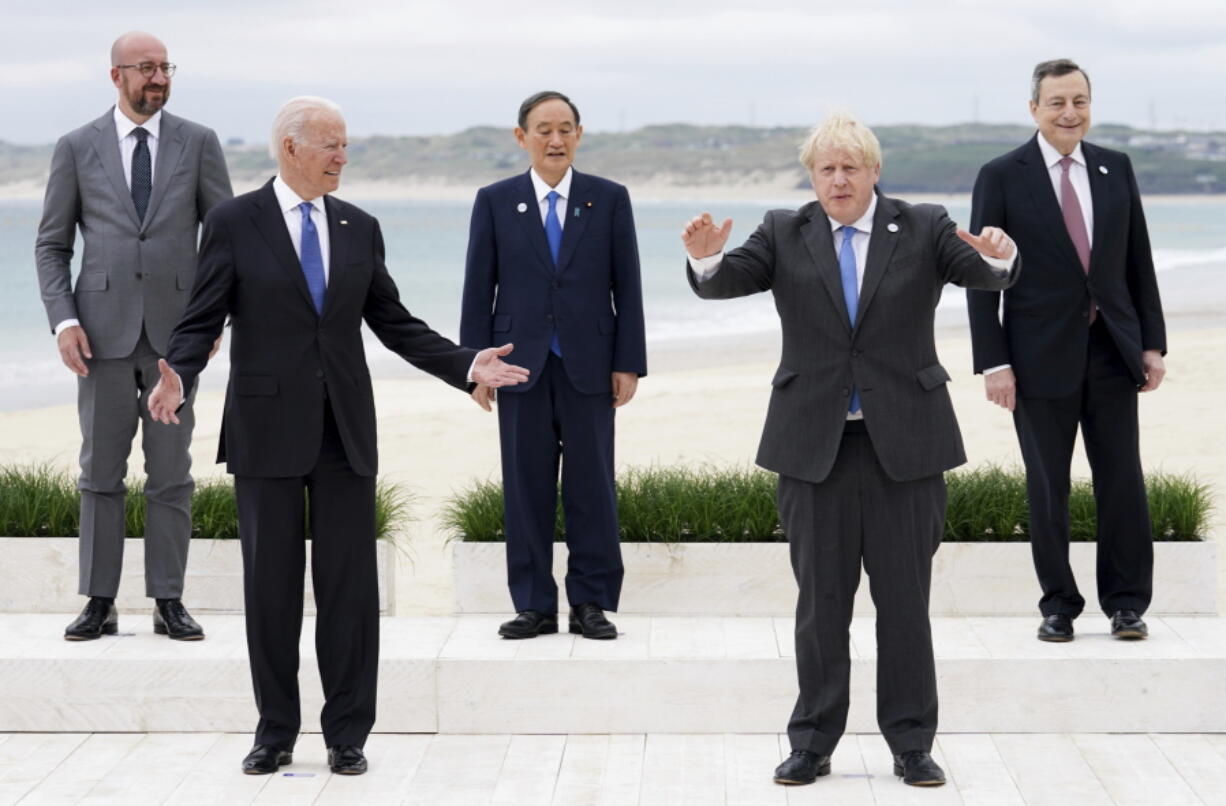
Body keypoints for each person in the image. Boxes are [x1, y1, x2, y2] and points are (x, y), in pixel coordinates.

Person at [146, 96, 529, 776]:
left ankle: (347, 733)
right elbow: (201, 316)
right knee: (272, 588)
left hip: (344, 430)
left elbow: (395, 321)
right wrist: (176, 370)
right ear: (290, 148)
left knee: (349, 590)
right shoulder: (236, 222)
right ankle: (274, 732)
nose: (342, 157)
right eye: (332, 145)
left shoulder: (359, 225)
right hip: (265, 429)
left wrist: (468, 363)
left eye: (345, 145)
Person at [683, 112, 1019, 788]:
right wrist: (704, 257)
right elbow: (726, 281)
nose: (838, 179)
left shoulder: (923, 224)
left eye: (850, 167)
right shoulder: (785, 230)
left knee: (904, 604)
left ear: (874, 171)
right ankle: (811, 741)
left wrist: (1000, 256)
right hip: (813, 446)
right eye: (825, 169)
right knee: (821, 605)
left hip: (907, 446)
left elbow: (983, 275)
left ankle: (911, 744)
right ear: (813, 176)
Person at [35, 31, 232, 642]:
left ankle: (169, 600)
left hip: (177, 341)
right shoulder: (75, 147)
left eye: (165, 67)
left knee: (172, 473)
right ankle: (99, 600)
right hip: (100, 337)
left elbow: (222, 240)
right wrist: (64, 320)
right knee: (99, 471)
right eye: (146, 68)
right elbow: (52, 245)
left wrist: (210, 321)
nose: (159, 78)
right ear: (115, 75)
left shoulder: (199, 142)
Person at [967, 59, 1167, 643]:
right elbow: (983, 273)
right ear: (1034, 109)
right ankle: (1058, 604)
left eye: (1079, 100)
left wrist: (1151, 344)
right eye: (1057, 102)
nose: (1069, 112)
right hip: (1035, 358)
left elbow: (1138, 262)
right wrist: (994, 361)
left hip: (1112, 350)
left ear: (1090, 105)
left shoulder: (1115, 167)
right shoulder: (1002, 175)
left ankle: (1126, 604)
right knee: (1048, 485)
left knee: (1122, 482)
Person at [460, 91, 647, 640]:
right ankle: (534, 604)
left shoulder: (608, 199)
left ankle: (590, 602)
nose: (555, 139)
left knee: (592, 488)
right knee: (525, 488)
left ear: (579, 135)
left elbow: (628, 286)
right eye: (543, 129)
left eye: (565, 129)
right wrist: (474, 366)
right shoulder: (494, 200)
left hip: (590, 364)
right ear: (522, 138)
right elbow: (478, 286)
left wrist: (629, 362)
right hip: (518, 366)